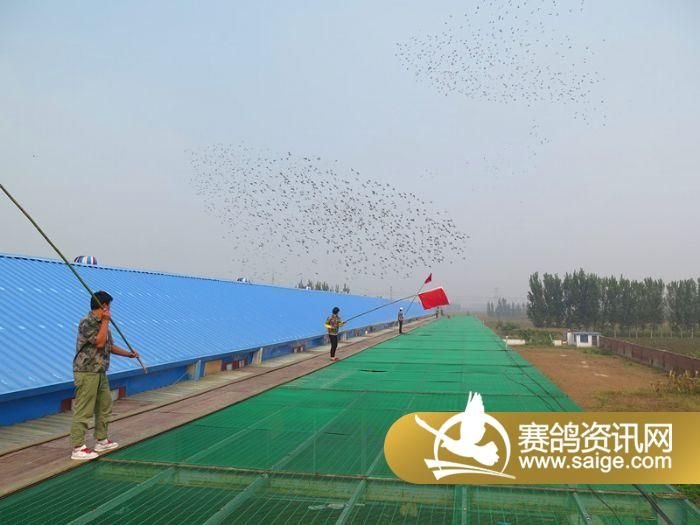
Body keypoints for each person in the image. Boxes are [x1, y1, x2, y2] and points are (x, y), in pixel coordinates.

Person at [70, 291, 140, 460]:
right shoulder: (87, 322)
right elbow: (100, 343)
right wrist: (106, 321)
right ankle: (78, 447)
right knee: (84, 409)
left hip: (100, 371)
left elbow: (109, 346)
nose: (110, 309)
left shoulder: (103, 324)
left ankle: (101, 440)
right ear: (104, 306)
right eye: (109, 306)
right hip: (87, 371)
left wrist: (128, 354)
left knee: (104, 405)